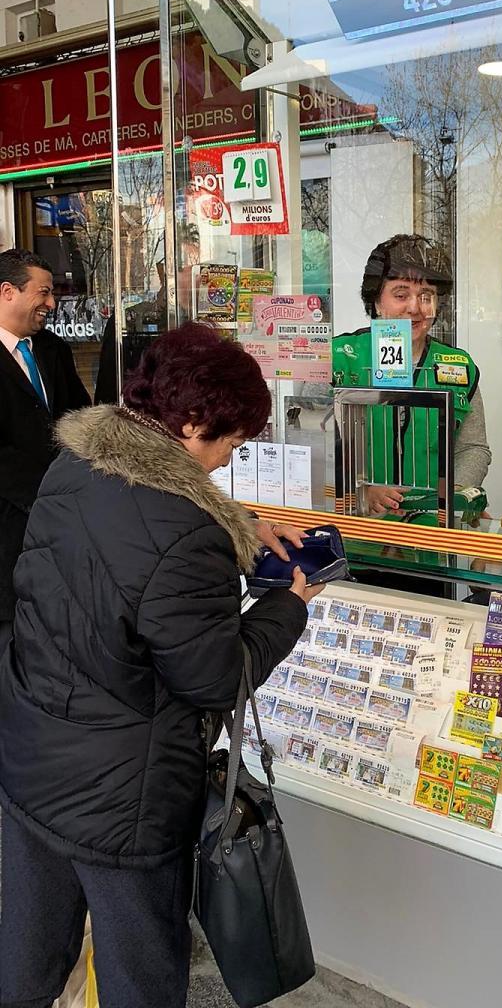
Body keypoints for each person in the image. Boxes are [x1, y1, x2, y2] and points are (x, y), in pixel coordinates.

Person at [0, 322, 322, 1008]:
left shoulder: (74, 466)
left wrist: (239, 525)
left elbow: (129, 536)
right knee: (140, 975)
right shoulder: (186, 532)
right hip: (126, 798)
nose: (228, 463)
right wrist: (288, 606)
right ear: (195, 422)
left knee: (28, 961)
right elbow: (216, 677)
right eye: (231, 444)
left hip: (32, 761)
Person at [332, 234, 491, 516]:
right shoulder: (338, 358)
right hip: (354, 522)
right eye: (401, 295)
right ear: (376, 301)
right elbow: (310, 448)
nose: (415, 308)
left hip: (431, 524)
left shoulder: (459, 366)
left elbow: (473, 448)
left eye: (426, 296)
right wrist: (358, 491)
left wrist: (454, 495)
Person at [0, 247, 90, 654]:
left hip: (61, 529)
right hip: (9, 532)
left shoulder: (54, 350)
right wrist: (47, 494)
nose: (52, 304)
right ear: (8, 292)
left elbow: (80, 418)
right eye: (44, 292)